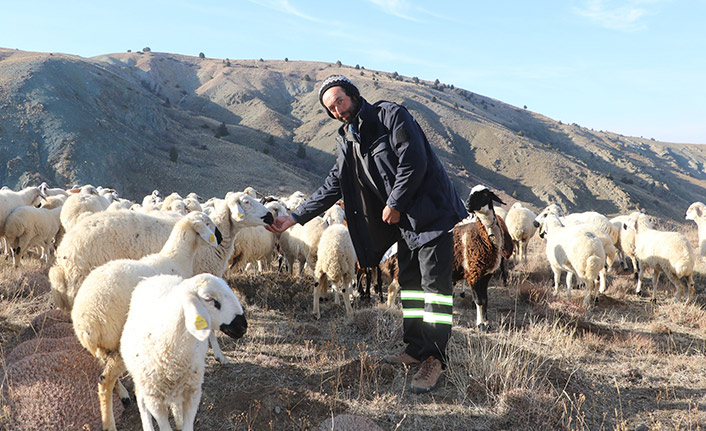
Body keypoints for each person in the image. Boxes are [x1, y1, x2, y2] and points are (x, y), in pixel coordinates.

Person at [267, 75, 467, 393]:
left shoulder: (390, 116)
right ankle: (415, 348)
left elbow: (413, 160)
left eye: (340, 102)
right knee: (412, 286)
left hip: (430, 214)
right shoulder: (347, 137)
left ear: (354, 96)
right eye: (331, 108)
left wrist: (395, 202)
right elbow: (336, 183)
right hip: (403, 224)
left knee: (435, 290)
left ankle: (435, 358)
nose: (337, 110)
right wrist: (294, 217)